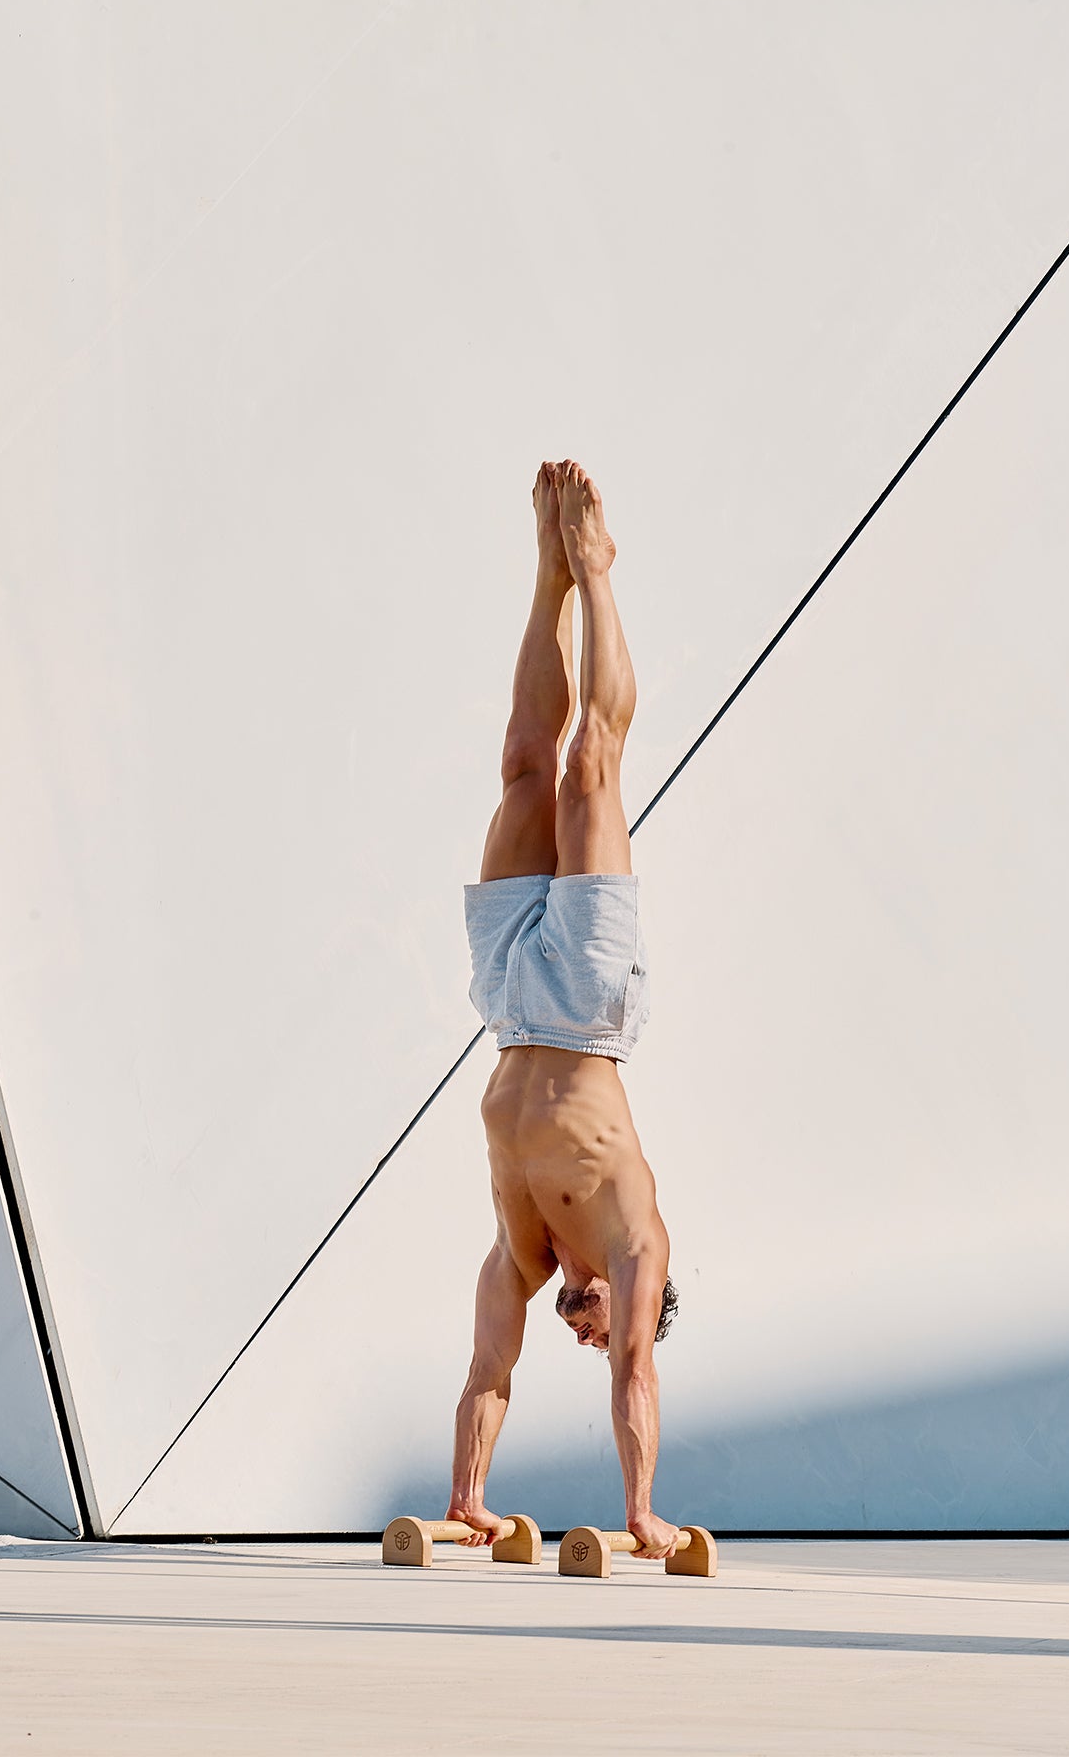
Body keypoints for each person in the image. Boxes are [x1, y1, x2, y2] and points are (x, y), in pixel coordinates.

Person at [446, 460, 680, 1560]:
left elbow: (490, 1369)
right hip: (583, 1006)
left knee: (521, 773)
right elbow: (638, 1371)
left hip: (505, 1003)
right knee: (592, 764)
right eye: (591, 1333)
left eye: (577, 1335)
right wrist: (642, 1511)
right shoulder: (635, 1246)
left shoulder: (523, 1254)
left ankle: (551, 578)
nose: (578, 1333)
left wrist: (468, 1497)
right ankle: (591, 574)